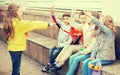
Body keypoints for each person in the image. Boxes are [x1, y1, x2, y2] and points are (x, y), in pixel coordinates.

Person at [2, 3, 54, 75]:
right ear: (14, 13)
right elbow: (33, 24)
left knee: (15, 67)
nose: (22, 13)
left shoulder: (10, 21)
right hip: (16, 49)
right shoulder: (20, 24)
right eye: (19, 11)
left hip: (11, 48)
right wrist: (47, 24)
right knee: (16, 70)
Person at [82, 10, 116, 75]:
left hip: (107, 58)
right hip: (99, 56)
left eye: (101, 20)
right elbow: (96, 44)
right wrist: (93, 55)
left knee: (90, 64)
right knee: (86, 62)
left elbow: (99, 24)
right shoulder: (100, 32)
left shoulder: (109, 32)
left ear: (104, 22)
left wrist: (90, 15)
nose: (99, 22)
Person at [66, 11, 100, 75]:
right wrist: (72, 15)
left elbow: (93, 45)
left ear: (94, 18)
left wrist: (83, 51)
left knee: (76, 59)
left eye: (88, 17)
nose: (86, 18)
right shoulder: (85, 25)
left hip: (91, 52)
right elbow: (74, 25)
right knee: (71, 57)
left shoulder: (96, 29)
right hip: (84, 48)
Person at [42, 6, 73, 73]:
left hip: (64, 46)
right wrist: (52, 12)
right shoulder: (62, 25)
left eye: (67, 19)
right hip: (59, 43)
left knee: (56, 52)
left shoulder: (71, 28)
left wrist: (61, 45)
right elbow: (55, 19)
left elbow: (70, 40)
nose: (65, 20)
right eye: (64, 19)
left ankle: (49, 65)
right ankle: (52, 65)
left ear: (70, 19)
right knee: (51, 51)